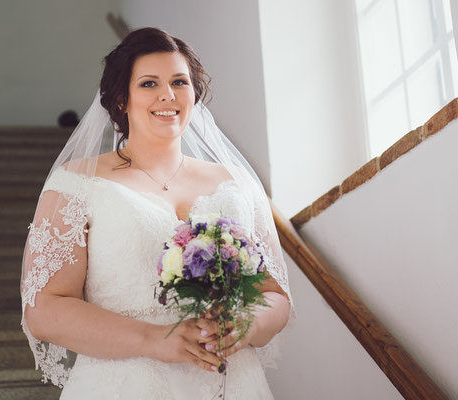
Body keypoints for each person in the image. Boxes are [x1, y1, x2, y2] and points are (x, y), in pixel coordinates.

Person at [20, 27, 295, 399]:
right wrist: (154, 339)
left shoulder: (237, 183)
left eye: (179, 81)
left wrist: (246, 324)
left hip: (231, 381)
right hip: (124, 384)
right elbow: (45, 309)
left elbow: (275, 294)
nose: (168, 94)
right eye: (149, 83)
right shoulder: (75, 184)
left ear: (194, 94)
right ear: (121, 99)